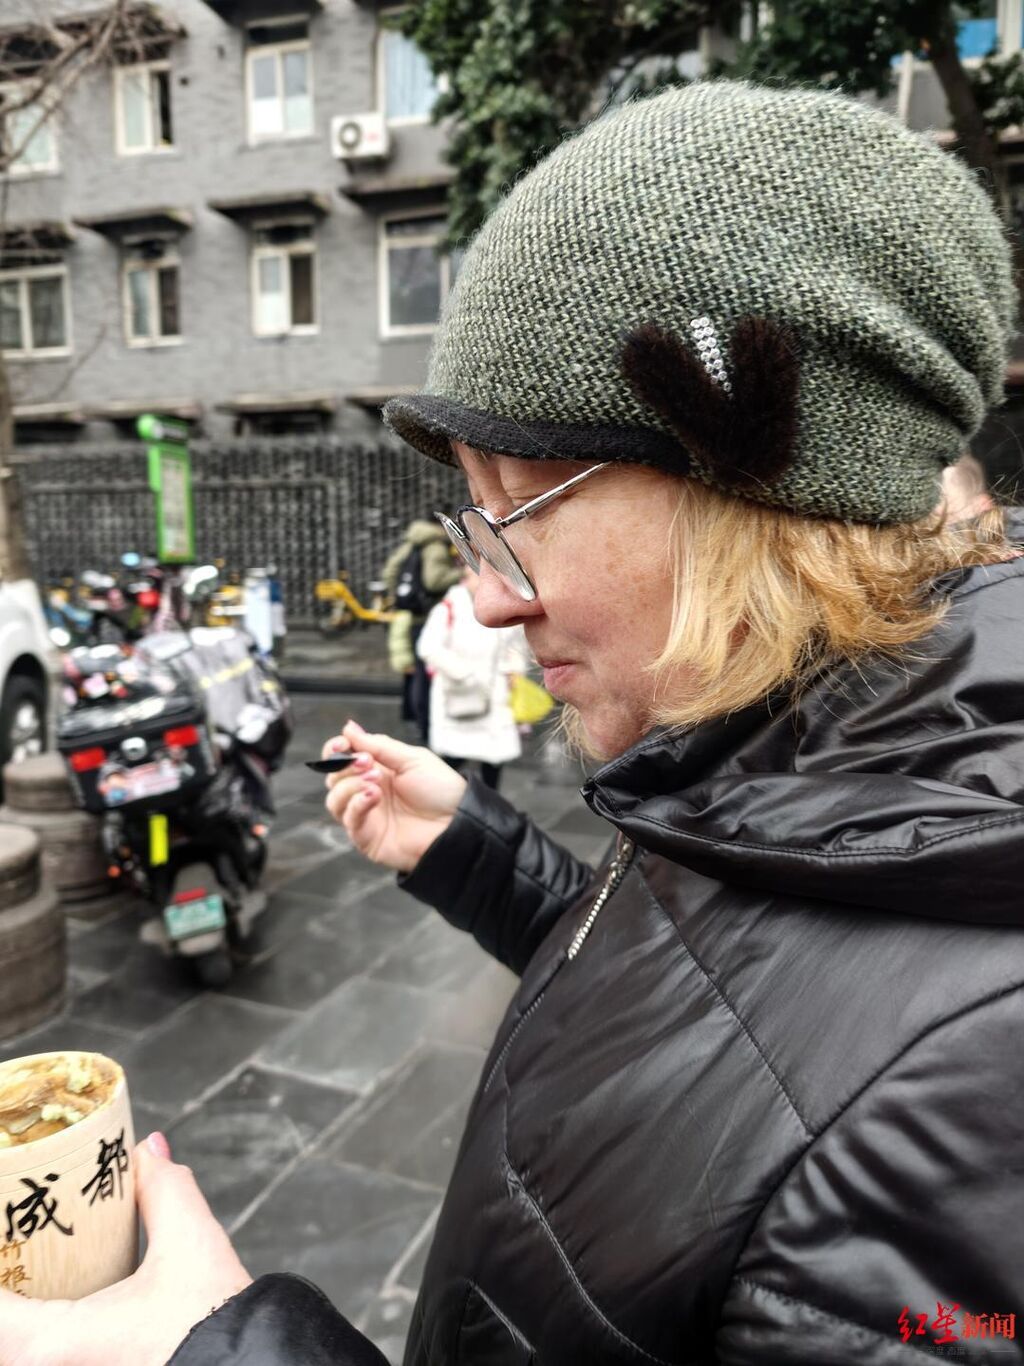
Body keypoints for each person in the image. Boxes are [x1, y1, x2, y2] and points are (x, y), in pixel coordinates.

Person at [5, 80, 1024, 1365]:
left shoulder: (967, 1085)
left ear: (761, 484)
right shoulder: (789, 760)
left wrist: (207, 1352)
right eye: (472, 518)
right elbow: (720, 1016)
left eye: (523, 506)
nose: (488, 594)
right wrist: (477, 853)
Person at [415, 565, 529, 789]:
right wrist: (465, 675)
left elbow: (515, 645)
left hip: (495, 695)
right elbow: (428, 647)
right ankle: (445, 798)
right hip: (459, 694)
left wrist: (515, 671)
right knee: (453, 758)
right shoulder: (448, 608)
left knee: (494, 758)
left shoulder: (501, 606)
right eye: (473, 574)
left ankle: (489, 802)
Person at [380, 517, 462, 741]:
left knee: (413, 669)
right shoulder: (435, 545)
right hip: (428, 615)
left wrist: (399, 598)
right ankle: (426, 726)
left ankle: (411, 716)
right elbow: (434, 581)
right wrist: (462, 573)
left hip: (410, 614)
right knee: (427, 673)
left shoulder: (412, 543)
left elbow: (390, 572)